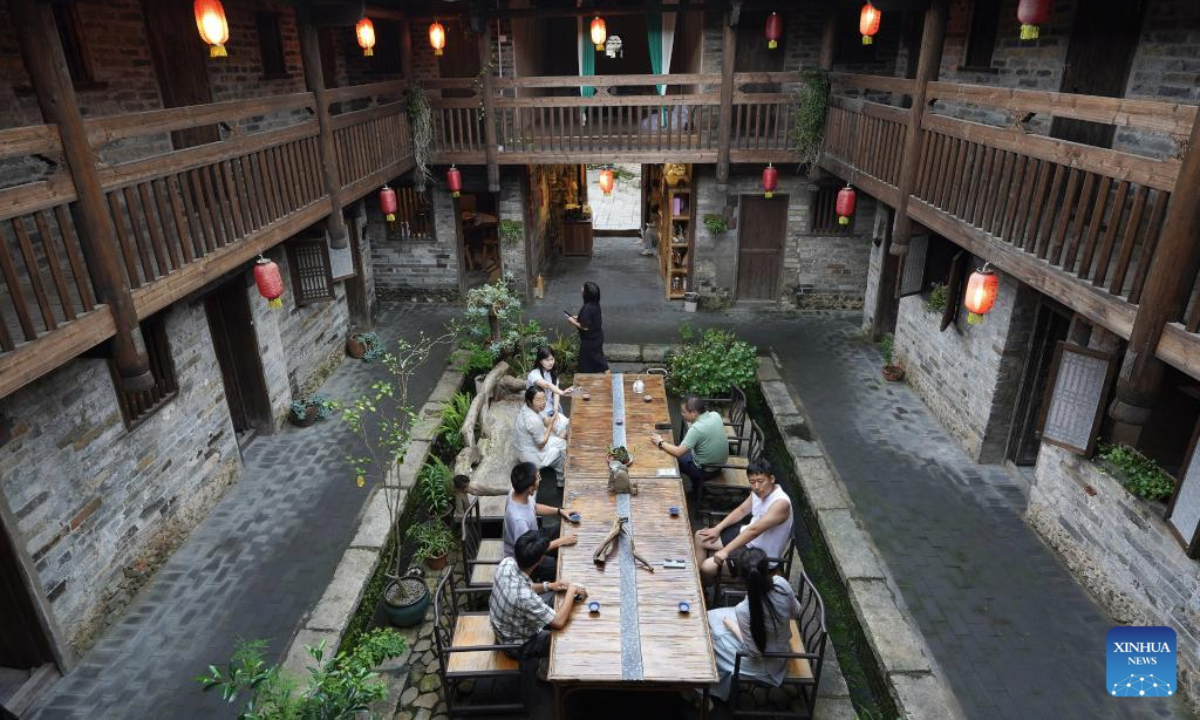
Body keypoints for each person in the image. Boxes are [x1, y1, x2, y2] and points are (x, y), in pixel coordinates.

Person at [706, 546, 803, 702]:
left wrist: (733, 627)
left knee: (709, 646)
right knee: (710, 617)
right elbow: (796, 611)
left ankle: (711, 691)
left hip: (767, 663)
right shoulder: (781, 583)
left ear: (742, 578)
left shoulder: (743, 610)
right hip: (781, 648)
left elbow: (754, 653)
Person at [490, 529, 588, 679]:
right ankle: (544, 669)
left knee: (554, 599)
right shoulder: (525, 597)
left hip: (503, 624)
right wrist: (572, 590)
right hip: (514, 644)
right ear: (540, 560)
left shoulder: (507, 563)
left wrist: (549, 586)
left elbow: (523, 586)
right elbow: (559, 622)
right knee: (565, 636)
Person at [694, 459, 794, 583]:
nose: (756, 487)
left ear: (772, 479)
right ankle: (698, 583)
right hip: (745, 536)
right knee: (700, 537)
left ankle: (703, 589)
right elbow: (741, 510)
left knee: (707, 568)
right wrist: (717, 528)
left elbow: (754, 531)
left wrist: (725, 551)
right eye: (752, 482)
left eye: (761, 481)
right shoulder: (757, 492)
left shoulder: (781, 503)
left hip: (759, 555)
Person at [503, 462, 579, 581]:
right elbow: (529, 552)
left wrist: (560, 511)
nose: (540, 480)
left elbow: (533, 507)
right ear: (530, 488)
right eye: (538, 477)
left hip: (535, 536)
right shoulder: (519, 521)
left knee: (562, 530)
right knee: (565, 568)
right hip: (526, 560)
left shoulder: (517, 491)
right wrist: (561, 541)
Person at [649, 395, 729, 508]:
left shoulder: (696, 429)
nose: (681, 414)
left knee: (673, 460)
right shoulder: (715, 415)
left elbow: (678, 452)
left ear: (695, 413)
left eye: (684, 412)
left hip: (706, 469)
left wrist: (660, 442)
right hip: (721, 464)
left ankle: (677, 493)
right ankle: (696, 488)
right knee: (681, 453)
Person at [514, 387, 568, 487]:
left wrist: (557, 432)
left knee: (563, 442)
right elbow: (541, 444)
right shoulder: (532, 420)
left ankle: (565, 468)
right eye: (538, 400)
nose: (543, 402)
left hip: (527, 445)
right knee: (558, 453)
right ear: (529, 401)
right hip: (531, 454)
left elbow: (545, 420)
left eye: (544, 398)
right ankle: (562, 479)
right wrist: (552, 425)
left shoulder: (530, 407)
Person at [526, 347, 571, 438]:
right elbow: (546, 385)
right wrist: (562, 392)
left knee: (567, 426)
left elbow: (555, 393)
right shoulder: (534, 374)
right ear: (540, 361)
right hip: (538, 410)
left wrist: (555, 409)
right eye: (547, 360)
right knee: (557, 434)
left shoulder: (552, 373)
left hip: (551, 407)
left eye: (552, 359)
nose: (551, 362)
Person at [565, 281, 608, 373]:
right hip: (597, 337)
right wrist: (577, 317)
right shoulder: (595, 304)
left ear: (587, 293)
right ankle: (602, 374)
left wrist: (573, 321)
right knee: (597, 358)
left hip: (590, 340)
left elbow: (585, 327)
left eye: (583, 288)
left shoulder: (588, 308)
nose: (581, 289)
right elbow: (590, 319)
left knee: (591, 360)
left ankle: (606, 376)